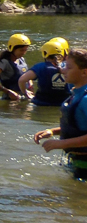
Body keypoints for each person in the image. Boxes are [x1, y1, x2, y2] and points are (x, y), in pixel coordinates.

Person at [34, 48, 87, 178]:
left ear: (84, 72)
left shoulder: (85, 99)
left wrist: (61, 143)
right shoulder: (76, 92)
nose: (62, 70)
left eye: (68, 67)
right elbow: (80, 125)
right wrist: (53, 131)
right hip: (78, 160)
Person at [20, 38, 70, 106]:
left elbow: (21, 80)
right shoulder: (69, 66)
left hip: (41, 103)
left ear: (44, 53)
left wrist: (25, 93)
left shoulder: (40, 67)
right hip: (63, 104)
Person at [0, 33, 32, 100]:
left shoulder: (21, 60)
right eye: (21, 50)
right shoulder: (4, 62)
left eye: (25, 50)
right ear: (12, 48)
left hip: (25, 96)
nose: (23, 53)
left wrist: (30, 87)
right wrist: (8, 92)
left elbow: (27, 76)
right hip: (11, 99)